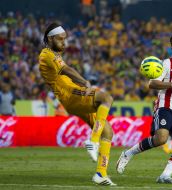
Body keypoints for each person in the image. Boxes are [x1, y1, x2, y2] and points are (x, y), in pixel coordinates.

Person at [116, 32, 172, 184]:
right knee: (161, 139)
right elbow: (152, 84)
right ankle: (128, 153)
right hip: (164, 107)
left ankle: (165, 175)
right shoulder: (166, 64)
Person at [39, 23, 116, 186]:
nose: (64, 42)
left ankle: (100, 173)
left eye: (64, 39)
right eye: (60, 39)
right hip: (71, 95)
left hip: (74, 96)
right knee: (106, 98)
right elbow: (66, 70)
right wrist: (85, 82)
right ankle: (92, 141)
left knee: (108, 132)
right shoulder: (46, 54)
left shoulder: (53, 55)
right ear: (50, 38)